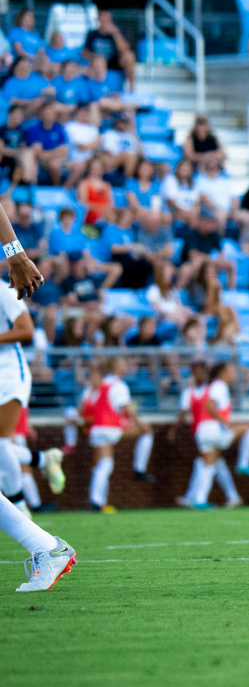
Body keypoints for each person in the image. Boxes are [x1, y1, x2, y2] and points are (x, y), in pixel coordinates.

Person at [0, 245, 77, 591]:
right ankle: (43, 543)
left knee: (1, 444)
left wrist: (16, 254)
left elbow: (27, 330)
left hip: (7, 376)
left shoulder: (3, 290)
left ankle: (41, 540)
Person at [79, 357, 155, 512]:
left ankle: (98, 501)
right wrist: (140, 424)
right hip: (110, 427)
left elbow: (84, 410)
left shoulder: (95, 387)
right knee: (146, 433)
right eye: (123, 363)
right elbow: (126, 410)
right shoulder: (118, 385)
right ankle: (139, 469)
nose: (126, 365)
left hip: (96, 428)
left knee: (101, 464)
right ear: (115, 366)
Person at [184, 361, 249, 509]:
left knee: (208, 465)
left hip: (202, 430)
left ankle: (200, 500)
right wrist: (224, 422)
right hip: (214, 429)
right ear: (222, 373)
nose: (233, 374)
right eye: (230, 370)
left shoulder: (213, 386)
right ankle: (243, 463)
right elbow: (210, 405)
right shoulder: (220, 385)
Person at [82, 11, 136, 88]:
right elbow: (85, 53)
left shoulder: (116, 33)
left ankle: (132, 89)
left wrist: (116, 34)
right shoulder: (92, 34)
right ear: (99, 20)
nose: (105, 23)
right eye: (103, 20)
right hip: (97, 63)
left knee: (130, 57)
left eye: (107, 20)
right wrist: (97, 57)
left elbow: (125, 50)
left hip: (113, 63)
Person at [26, 101, 68, 186]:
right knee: (54, 164)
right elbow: (39, 154)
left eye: (50, 114)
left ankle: (62, 189)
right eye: (46, 113)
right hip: (41, 161)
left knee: (77, 166)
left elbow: (64, 152)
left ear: (54, 115)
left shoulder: (58, 128)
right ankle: (54, 188)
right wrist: (55, 152)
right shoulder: (35, 130)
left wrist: (49, 154)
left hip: (56, 159)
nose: (48, 116)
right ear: (41, 114)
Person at [161, 159, 201, 225]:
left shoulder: (193, 183)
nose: (185, 170)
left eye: (188, 168)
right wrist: (184, 212)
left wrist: (193, 211)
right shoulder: (170, 179)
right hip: (173, 211)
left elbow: (196, 202)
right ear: (178, 168)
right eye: (183, 168)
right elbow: (170, 201)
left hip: (190, 212)